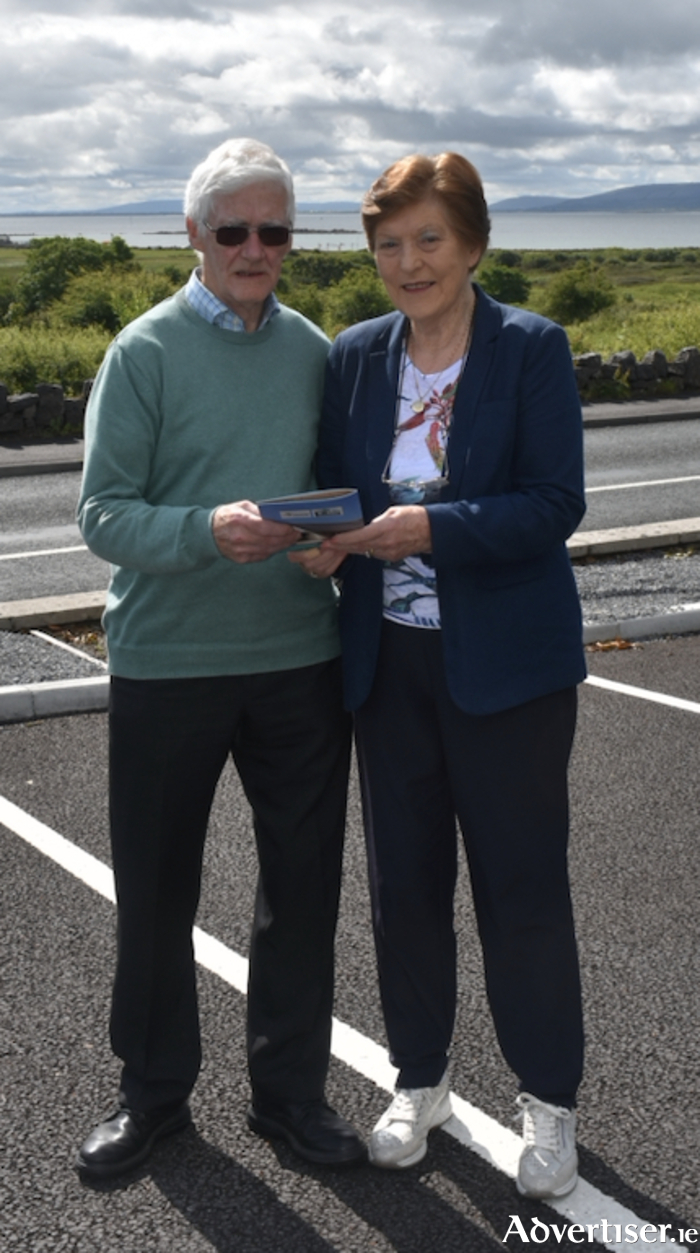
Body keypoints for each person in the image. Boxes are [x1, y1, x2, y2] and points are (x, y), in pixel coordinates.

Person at [290, 152, 586, 1199]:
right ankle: (420, 1080)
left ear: (471, 242)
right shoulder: (357, 356)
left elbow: (554, 504)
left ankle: (547, 1102)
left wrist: (434, 527)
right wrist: (324, 540)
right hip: (388, 663)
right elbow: (338, 490)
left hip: (507, 670)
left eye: (427, 239)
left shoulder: (530, 348)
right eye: (387, 244)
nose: (407, 262)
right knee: (404, 889)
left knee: (521, 891)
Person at [75, 137, 365, 1181]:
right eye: (233, 228)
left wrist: (338, 539)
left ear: (291, 239)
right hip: (168, 664)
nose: (255, 247)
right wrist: (204, 529)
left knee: (302, 890)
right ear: (194, 234)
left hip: (298, 656)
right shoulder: (142, 352)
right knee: (156, 890)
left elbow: (338, 495)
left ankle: (289, 1097)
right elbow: (100, 513)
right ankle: (151, 1097)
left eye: (273, 229)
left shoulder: (313, 350)